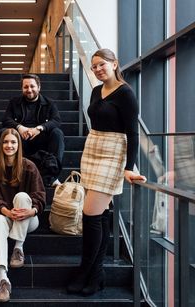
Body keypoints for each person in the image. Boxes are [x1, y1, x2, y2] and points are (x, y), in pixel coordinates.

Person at [67, 48, 146, 296]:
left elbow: (133, 134)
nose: (98, 69)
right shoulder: (95, 90)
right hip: (93, 148)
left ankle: (85, 270)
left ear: (114, 64)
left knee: (90, 215)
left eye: (102, 64)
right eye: (94, 67)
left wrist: (129, 168)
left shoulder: (126, 93)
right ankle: (96, 273)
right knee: (99, 216)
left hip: (113, 153)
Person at [0, 128, 46, 303]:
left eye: (13, 142)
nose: (9, 145)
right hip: (7, 217)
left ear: (19, 145)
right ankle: (3, 279)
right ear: (0, 145)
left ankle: (18, 248)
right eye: (5, 142)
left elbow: (40, 196)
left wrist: (32, 210)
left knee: (21, 197)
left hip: (30, 219)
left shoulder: (29, 166)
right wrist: (6, 211)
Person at [2, 74, 65, 187]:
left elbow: (56, 121)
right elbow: (6, 120)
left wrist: (40, 128)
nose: (29, 90)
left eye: (32, 86)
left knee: (57, 133)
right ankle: (8, 174)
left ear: (39, 87)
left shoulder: (49, 103)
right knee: (3, 133)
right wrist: (19, 128)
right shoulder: (14, 102)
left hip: (41, 138)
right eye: (26, 87)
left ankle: (53, 176)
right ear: (22, 88)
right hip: (21, 138)